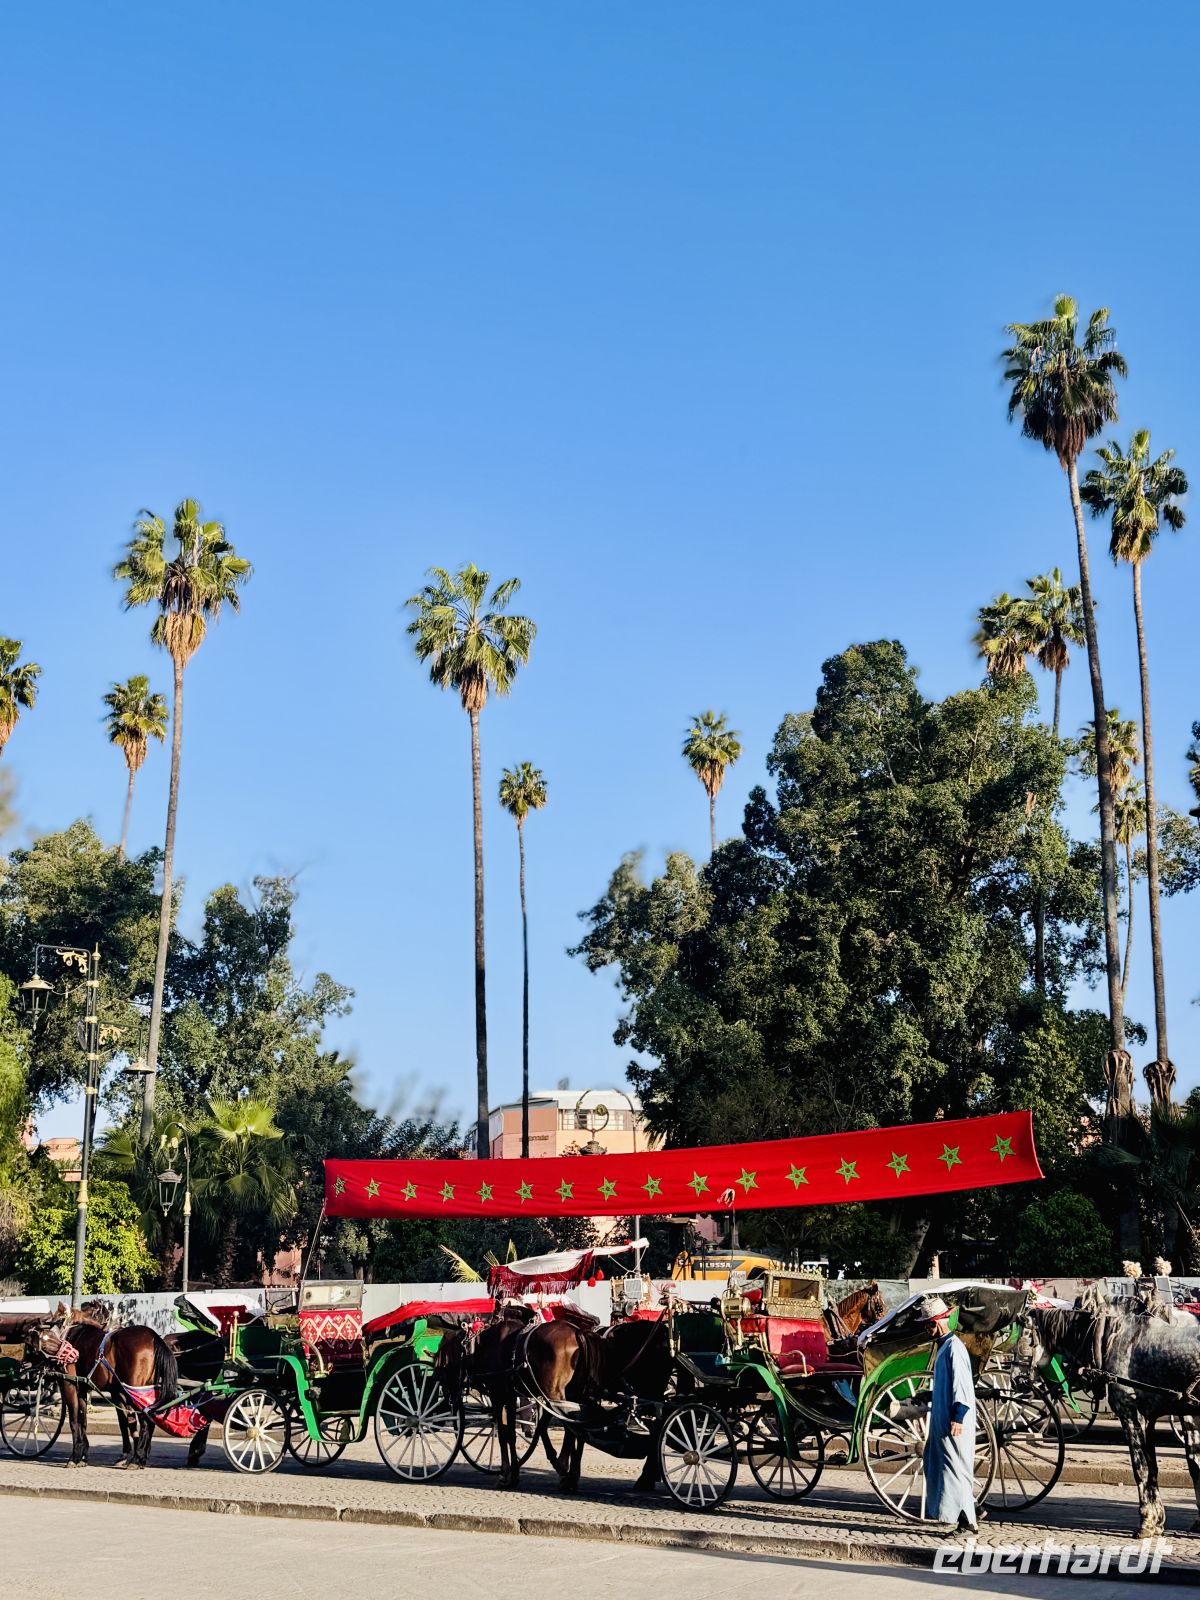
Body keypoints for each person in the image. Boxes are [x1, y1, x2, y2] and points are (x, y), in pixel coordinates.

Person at [921, 1295, 978, 1531]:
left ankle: (968, 1523)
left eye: (928, 1324)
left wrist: (958, 1415)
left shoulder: (954, 1348)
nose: (927, 1329)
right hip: (944, 1417)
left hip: (954, 1419)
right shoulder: (945, 1347)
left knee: (956, 1470)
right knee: (943, 1466)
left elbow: (962, 1386)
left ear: (937, 1322)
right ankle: (959, 1515)